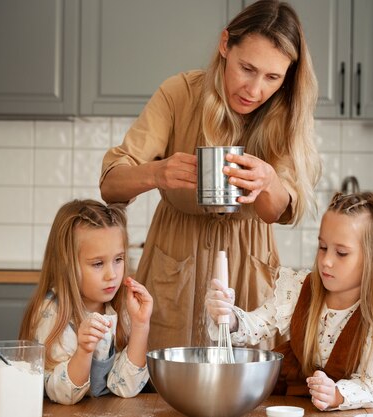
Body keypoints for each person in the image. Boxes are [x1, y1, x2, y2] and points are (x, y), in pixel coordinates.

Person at [99, 0, 322, 350]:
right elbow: (111, 185)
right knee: (160, 380)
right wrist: (158, 172)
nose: (255, 89)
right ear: (224, 46)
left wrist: (268, 182)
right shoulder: (179, 93)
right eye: (247, 68)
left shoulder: (285, 112)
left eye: (272, 77)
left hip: (247, 259)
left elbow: (273, 212)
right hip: (175, 255)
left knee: (245, 381)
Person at [205, 191, 373, 411]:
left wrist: (336, 395)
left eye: (342, 253)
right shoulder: (299, 289)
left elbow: (370, 385)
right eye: (323, 247)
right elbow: (255, 326)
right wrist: (228, 316)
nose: (326, 261)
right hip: (289, 405)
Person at [19, 200, 153, 405]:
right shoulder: (52, 313)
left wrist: (141, 325)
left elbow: (126, 386)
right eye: (98, 263)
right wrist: (84, 350)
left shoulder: (121, 307)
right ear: (67, 265)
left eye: (118, 259)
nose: (112, 275)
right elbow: (64, 395)